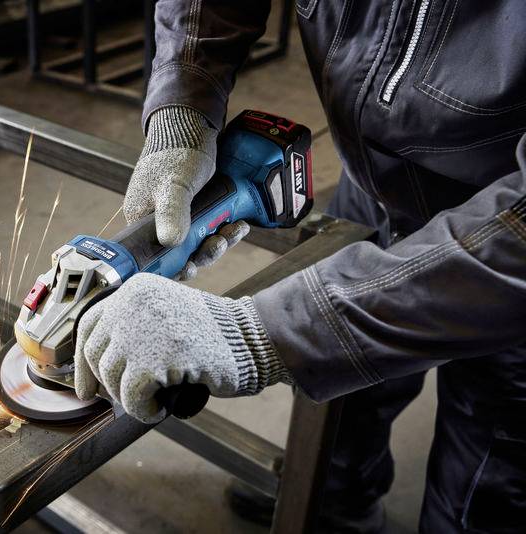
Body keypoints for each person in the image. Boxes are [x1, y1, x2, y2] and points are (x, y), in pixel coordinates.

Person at [72, 1, 526, 532]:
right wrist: (183, 103)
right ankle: (334, 505)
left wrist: (258, 334)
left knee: (483, 480)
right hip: (374, 183)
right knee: (340, 413)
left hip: (507, 241)